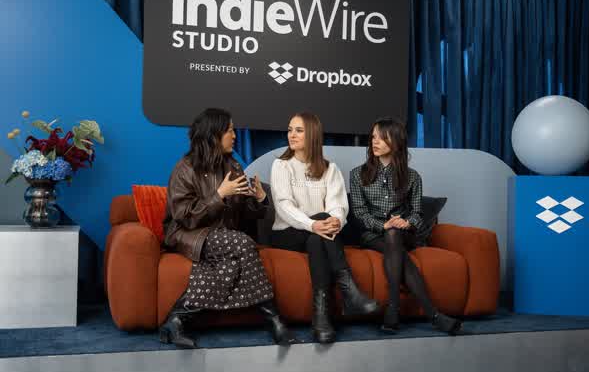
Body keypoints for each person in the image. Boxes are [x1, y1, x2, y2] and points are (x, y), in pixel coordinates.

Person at [160, 108, 298, 348]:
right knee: (243, 243)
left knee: (234, 259)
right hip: (190, 235)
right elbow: (185, 218)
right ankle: (275, 320)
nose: (234, 136)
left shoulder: (233, 166)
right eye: (230, 131)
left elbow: (245, 215)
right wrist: (219, 195)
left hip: (225, 238)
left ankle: (176, 319)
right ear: (213, 135)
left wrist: (259, 199)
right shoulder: (184, 169)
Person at [269, 112, 379, 344]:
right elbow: (283, 206)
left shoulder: (331, 169)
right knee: (320, 223)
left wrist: (336, 219)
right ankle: (350, 292)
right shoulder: (281, 166)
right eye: (290, 130)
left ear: (313, 134)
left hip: (318, 235)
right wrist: (314, 224)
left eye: (299, 130)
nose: (291, 135)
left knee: (317, 239)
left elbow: (338, 205)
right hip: (286, 234)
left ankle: (321, 319)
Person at [349, 117, 463, 334]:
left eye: (382, 138)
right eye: (373, 137)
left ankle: (393, 309)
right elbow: (360, 213)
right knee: (394, 242)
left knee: (394, 235)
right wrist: (383, 225)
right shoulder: (358, 174)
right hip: (372, 235)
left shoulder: (412, 177)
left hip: (403, 235)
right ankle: (433, 315)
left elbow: (417, 213)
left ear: (396, 142)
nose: (375, 142)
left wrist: (407, 222)